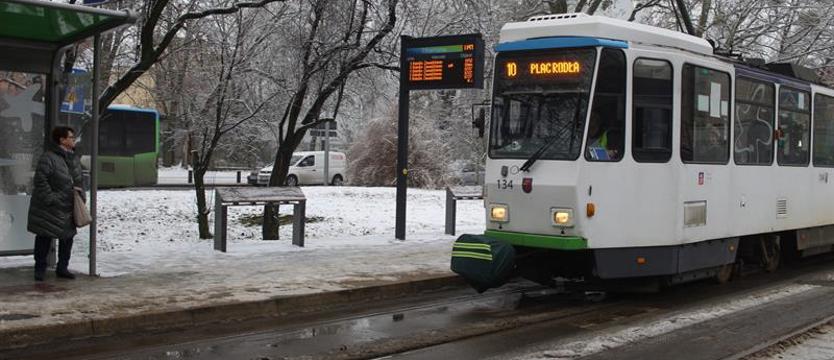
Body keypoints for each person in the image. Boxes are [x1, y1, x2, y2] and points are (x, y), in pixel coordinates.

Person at [27, 126, 84, 281]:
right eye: (71, 137)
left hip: (68, 205)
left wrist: (81, 196)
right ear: (62, 139)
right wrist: (51, 198)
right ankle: (40, 269)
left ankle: (62, 267)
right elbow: (40, 180)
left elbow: (79, 179)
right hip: (50, 207)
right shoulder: (48, 157)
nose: (74, 140)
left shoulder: (73, 158)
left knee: (67, 238)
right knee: (44, 237)